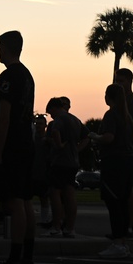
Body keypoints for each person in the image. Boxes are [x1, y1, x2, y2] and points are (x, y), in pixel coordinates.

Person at [0, 30, 36, 264]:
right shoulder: (27, 76)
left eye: (0, 47)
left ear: (7, 47)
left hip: (13, 144)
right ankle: (27, 257)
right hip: (26, 142)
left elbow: (4, 115)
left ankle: (14, 262)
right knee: (25, 201)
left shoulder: (8, 76)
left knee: (14, 202)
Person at [92, 83, 133, 258]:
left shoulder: (111, 115)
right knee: (123, 203)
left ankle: (117, 243)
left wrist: (95, 137)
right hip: (128, 162)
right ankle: (123, 242)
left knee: (114, 203)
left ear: (109, 97)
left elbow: (109, 137)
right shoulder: (128, 118)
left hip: (114, 164)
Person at [45, 96, 87, 237]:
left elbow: (56, 132)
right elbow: (87, 136)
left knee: (55, 192)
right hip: (73, 162)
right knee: (69, 194)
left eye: (51, 113)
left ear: (54, 108)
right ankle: (70, 227)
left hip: (59, 161)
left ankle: (56, 226)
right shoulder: (75, 120)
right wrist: (78, 149)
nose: (51, 116)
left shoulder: (59, 120)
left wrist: (58, 145)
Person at [114, 67, 133, 237]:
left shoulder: (132, 103)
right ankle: (127, 224)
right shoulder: (122, 102)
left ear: (130, 81)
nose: (119, 84)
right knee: (122, 190)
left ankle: (131, 224)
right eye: (117, 81)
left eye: (121, 81)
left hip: (127, 151)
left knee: (128, 189)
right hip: (122, 151)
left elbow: (129, 128)